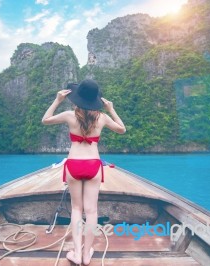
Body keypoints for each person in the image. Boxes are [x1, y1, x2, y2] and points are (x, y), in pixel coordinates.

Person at [42, 79, 126, 265]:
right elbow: (122, 129)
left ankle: (76, 254)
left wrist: (57, 100)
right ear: (96, 100)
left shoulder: (69, 116)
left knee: (76, 209)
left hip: (73, 165)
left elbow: (45, 120)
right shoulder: (102, 118)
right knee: (92, 211)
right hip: (93, 165)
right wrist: (111, 109)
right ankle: (87, 255)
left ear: (77, 98)